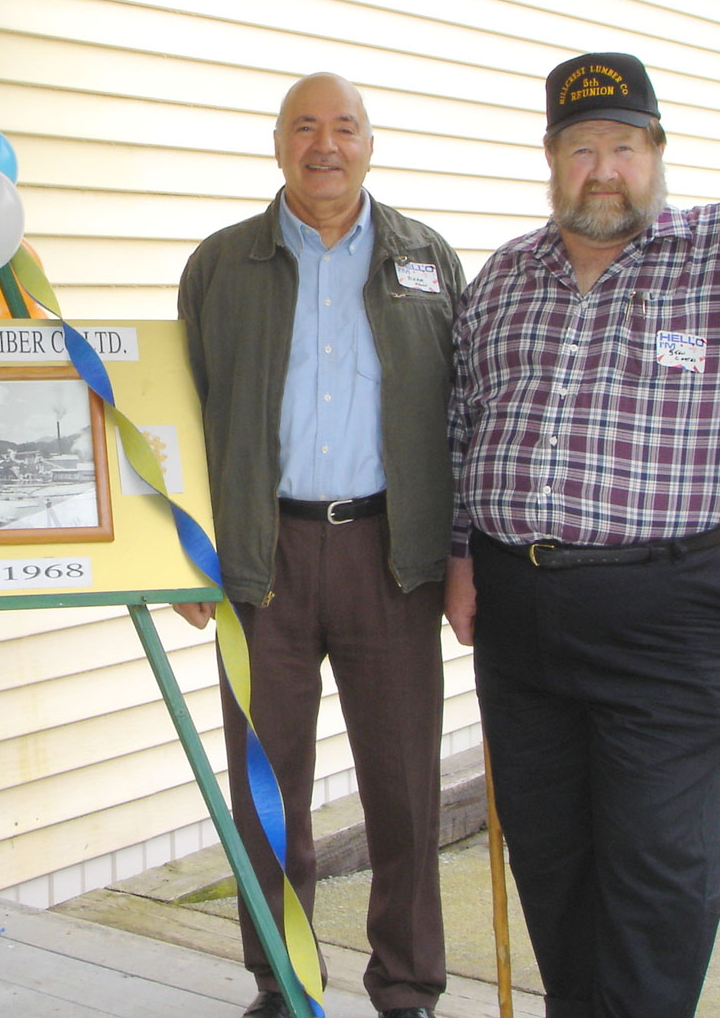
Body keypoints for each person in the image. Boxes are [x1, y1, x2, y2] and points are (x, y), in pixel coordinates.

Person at [445, 53, 720, 1018]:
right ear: (552, 159)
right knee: (552, 857)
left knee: (653, 871)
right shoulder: (504, 276)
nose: (603, 168)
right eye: (582, 147)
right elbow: (464, 424)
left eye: (624, 146)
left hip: (680, 614)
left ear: (657, 153)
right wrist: (461, 557)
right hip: (522, 615)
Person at [176, 72, 463, 1018]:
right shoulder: (222, 265)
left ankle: (408, 986)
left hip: (393, 553)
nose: (325, 144)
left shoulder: (426, 259)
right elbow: (180, 418)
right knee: (267, 788)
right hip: (267, 559)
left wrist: (461, 558)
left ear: (371, 144)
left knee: (405, 785)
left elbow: (466, 414)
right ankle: (282, 979)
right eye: (306, 126)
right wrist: (186, 556)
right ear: (278, 144)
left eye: (344, 127)